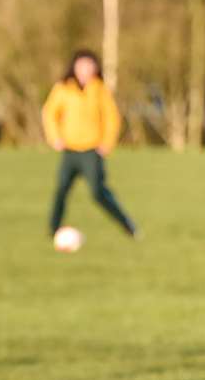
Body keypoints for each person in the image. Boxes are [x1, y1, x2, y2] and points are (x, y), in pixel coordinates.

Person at [42, 50, 139, 240]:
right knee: (61, 190)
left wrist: (107, 143)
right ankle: (53, 230)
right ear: (74, 67)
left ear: (95, 68)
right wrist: (55, 137)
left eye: (89, 66)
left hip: (91, 151)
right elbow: (49, 113)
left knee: (98, 192)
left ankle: (128, 225)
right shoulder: (63, 88)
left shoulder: (100, 90)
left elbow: (112, 117)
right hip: (69, 150)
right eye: (82, 65)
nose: (85, 70)